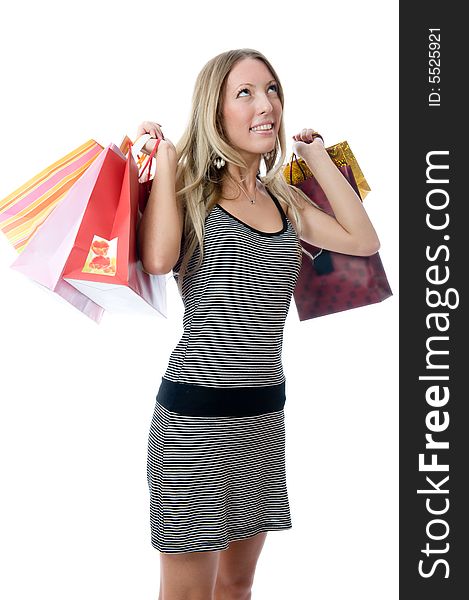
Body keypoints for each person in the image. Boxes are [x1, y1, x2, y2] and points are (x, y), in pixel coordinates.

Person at [137, 48, 380, 600]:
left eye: (271, 89)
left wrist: (317, 158)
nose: (264, 103)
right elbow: (156, 259)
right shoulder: (190, 194)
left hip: (263, 419)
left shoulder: (284, 198)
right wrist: (168, 159)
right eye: (244, 92)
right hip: (195, 425)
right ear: (214, 111)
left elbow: (363, 242)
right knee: (190, 595)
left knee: (238, 586)